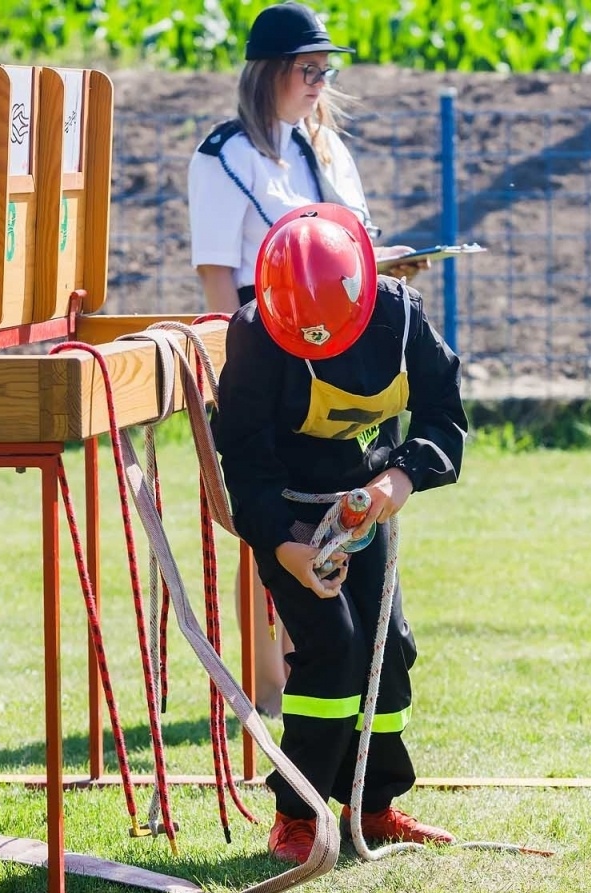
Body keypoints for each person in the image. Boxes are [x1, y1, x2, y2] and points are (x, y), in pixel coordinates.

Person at [189, 1, 426, 717]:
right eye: (308, 70)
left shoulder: (324, 147)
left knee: (346, 529)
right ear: (268, 73)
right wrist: (232, 374)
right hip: (267, 358)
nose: (321, 83)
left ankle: (320, 685)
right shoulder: (223, 156)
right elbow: (217, 278)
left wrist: (389, 265)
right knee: (272, 527)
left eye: (327, 71)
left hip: (344, 363)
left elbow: (350, 249)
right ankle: (270, 690)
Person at [211, 203, 465, 864]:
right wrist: (286, 549)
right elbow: (245, 461)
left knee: (390, 647)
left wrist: (401, 478)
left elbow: (443, 413)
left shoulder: (401, 317)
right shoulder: (255, 336)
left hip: (367, 503)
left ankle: (372, 805)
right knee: (334, 645)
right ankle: (297, 816)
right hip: (289, 514)